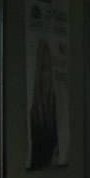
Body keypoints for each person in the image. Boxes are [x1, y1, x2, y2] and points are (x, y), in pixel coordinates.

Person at [28, 38, 59, 168]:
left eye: (48, 68)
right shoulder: (34, 112)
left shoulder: (55, 105)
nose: (46, 74)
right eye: (43, 68)